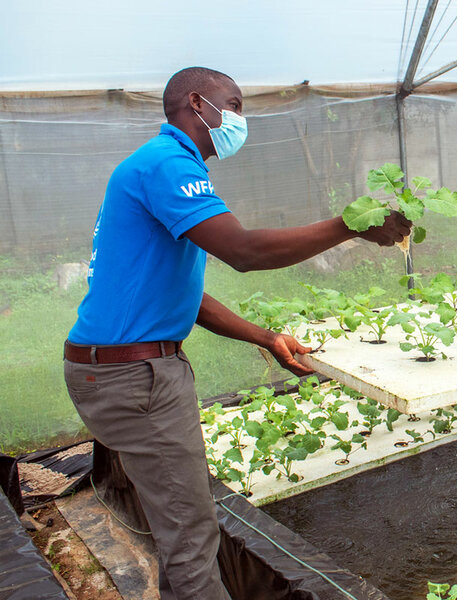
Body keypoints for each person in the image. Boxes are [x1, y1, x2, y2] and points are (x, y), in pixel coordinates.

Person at [63, 67, 410, 600]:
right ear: (197, 104)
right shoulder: (167, 164)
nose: (240, 119)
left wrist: (265, 337)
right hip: (135, 376)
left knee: (179, 527)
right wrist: (351, 225)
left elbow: (185, 298)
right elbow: (245, 252)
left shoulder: (157, 166)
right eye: (236, 105)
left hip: (118, 369)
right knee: (192, 534)